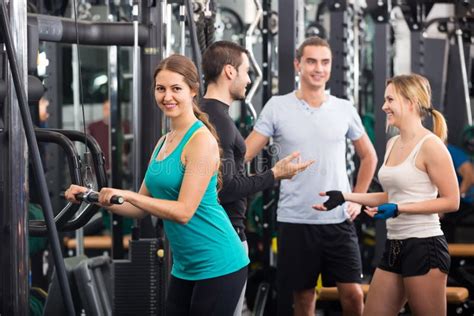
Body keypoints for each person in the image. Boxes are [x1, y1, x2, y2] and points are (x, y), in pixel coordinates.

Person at [65, 54, 249, 315]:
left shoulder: (201, 141)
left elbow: (184, 212)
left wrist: (129, 195)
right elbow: (138, 209)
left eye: (176, 89)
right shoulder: (164, 142)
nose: (167, 97)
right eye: (161, 89)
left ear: (193, 91)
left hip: (219, 261)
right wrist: (91, 197)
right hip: (186, 266)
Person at [245, 36, 378, 315]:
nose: (319, 68)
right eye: (312, 61)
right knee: (304, 298)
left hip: (338, 219)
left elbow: (369, 156)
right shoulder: (277, 106)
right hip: (296, 219)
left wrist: (356, 199)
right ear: (298, 65)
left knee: (353, 294)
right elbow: (245, 153)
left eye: (325, 62)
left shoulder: (344, 108)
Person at [314, 73, 460, 315]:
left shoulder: (431, 146)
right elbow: (391, 196)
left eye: (390, 100)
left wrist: (400, 209)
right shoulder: (393, 143)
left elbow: (451, 201)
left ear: (410, 102)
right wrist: (346, 196)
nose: (384, 107)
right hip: (395, 246)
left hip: (424, 247)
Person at [200, 40, 314, 316]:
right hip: (223, 238)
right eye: (246, 71)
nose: (249, 79)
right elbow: (226, 189)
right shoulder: (218, 122)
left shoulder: (210, 114)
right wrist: (276, 173)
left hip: (219, 234)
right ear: (229, 72)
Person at [441, 143, 474, 241]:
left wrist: (454, 198)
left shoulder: (451, 151)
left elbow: (470, 177)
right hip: (445, 200)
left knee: (445, 217)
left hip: (466, 200)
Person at [88, 99, 130, 172]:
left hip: (119, 171)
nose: (108, 112)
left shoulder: (123, 126)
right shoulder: (93, 126)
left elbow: (128, 148)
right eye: (106, 109)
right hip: (98, 170)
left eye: (110, 109)